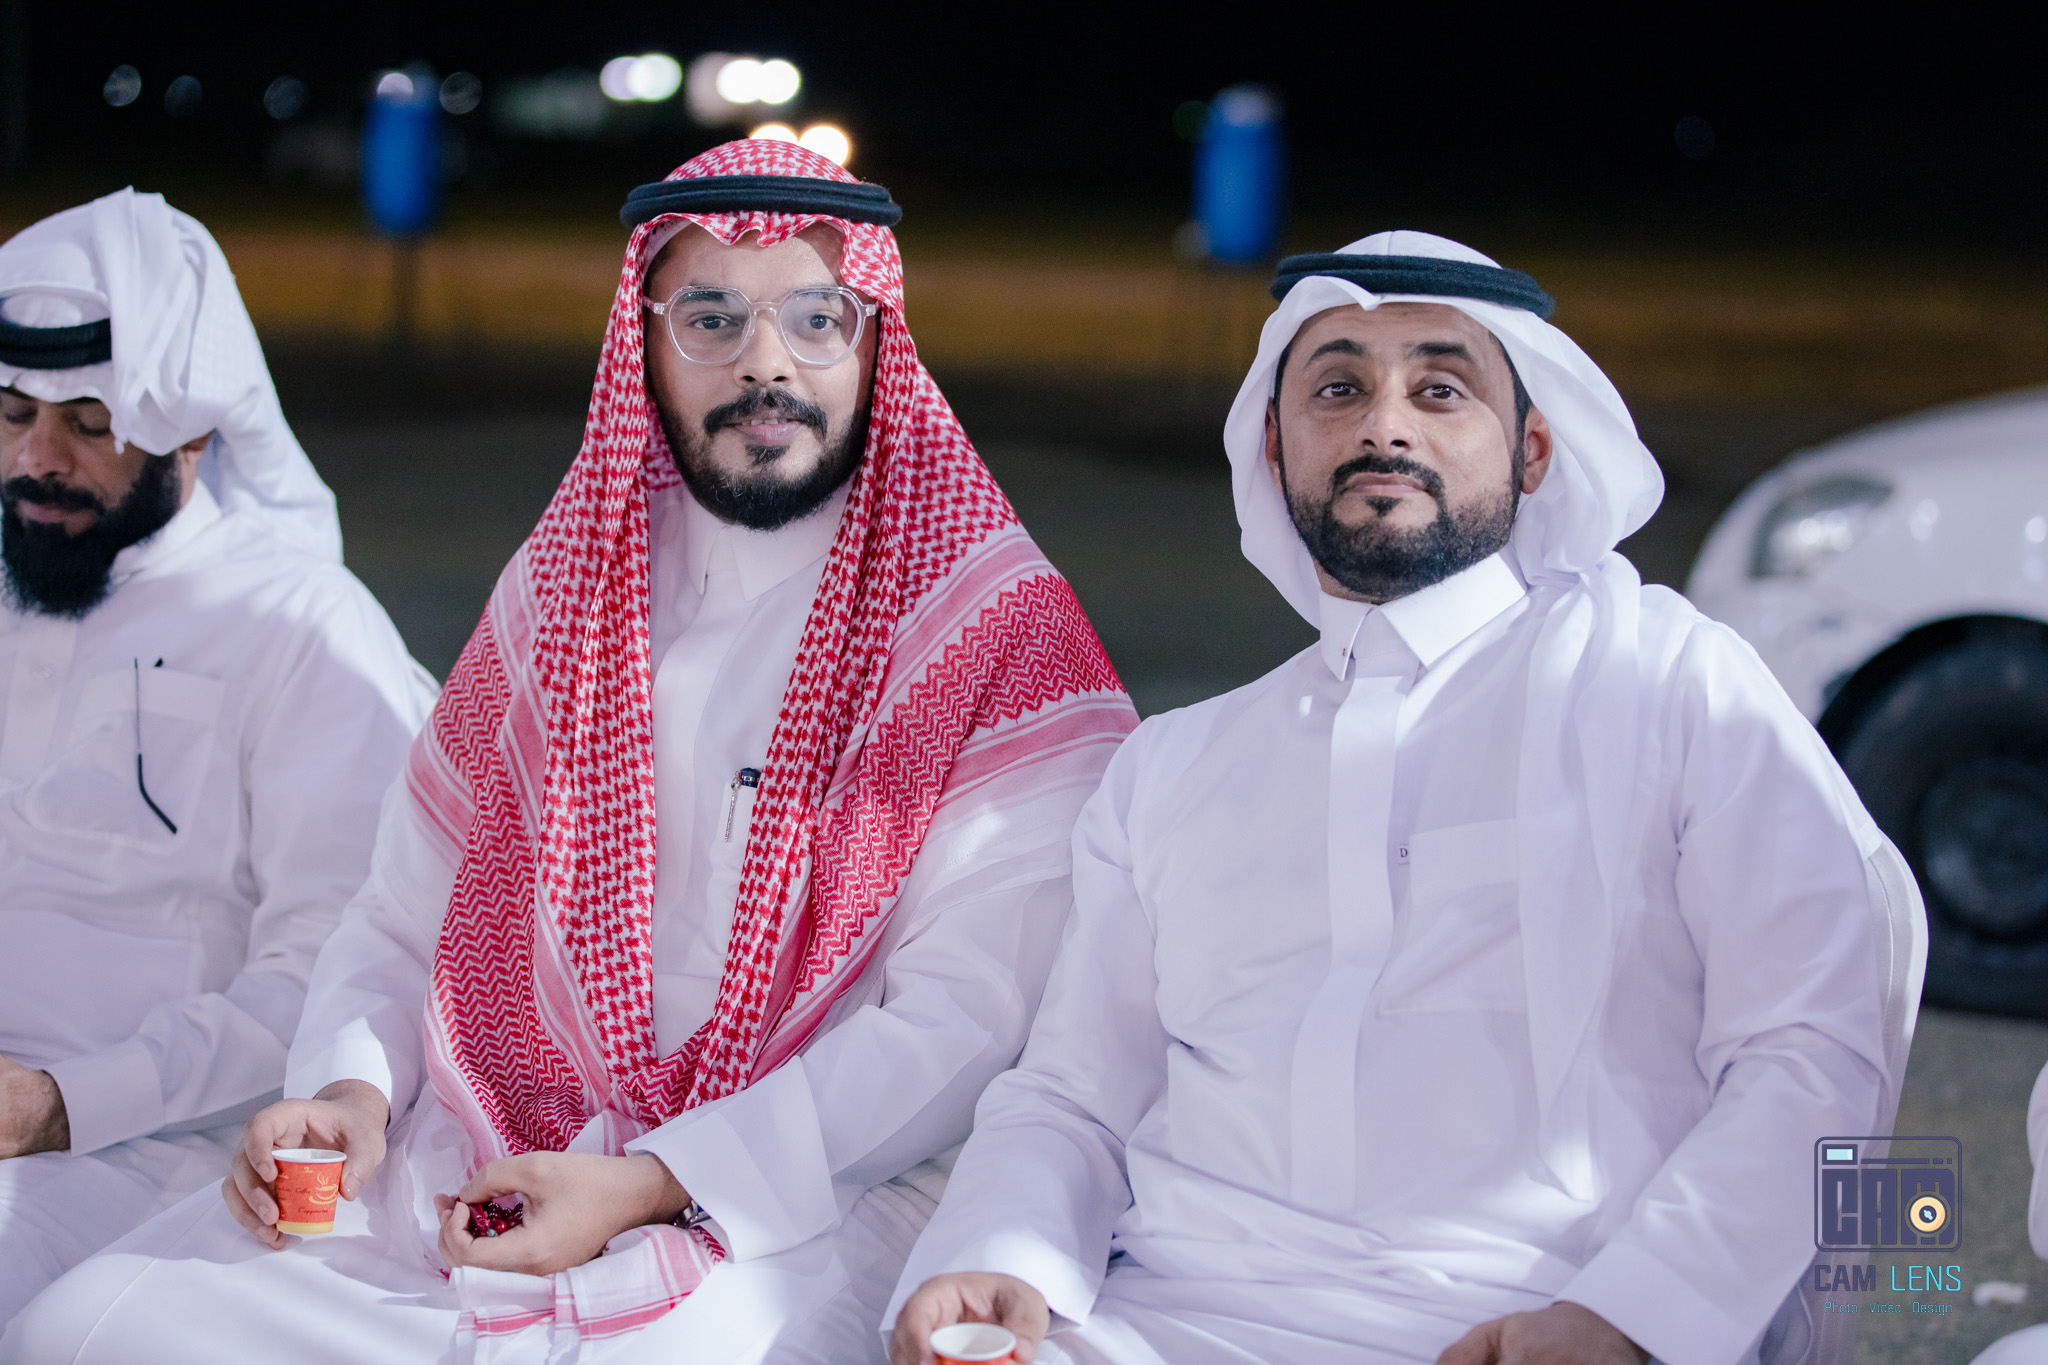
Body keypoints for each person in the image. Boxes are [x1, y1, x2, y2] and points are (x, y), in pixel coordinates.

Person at [5, 140, 1134, 1365]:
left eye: (816, 320)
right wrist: (347, 1097)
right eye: (711, 319)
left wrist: (653, 1180)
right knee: (90, 1334)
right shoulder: (565, 590)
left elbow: (963, 1021)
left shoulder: (993, 632)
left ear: (873, 344)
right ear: (643, 346)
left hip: (804, 1191)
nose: (765, 363)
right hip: (491, 1137)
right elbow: (401, 914)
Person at [888, 231, 1924, 1365]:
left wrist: (1632, 1318)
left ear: (1533, 449)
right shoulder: (1174, 765)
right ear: (1274, 447)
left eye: (1440, 390)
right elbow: (1074, 1096)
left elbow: (1811, 1052)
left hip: (1529, 1325)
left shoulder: (1668, 682)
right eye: (1337, 390)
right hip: (1154, 1322)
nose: (1384, 425)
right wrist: (996, 1254)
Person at [0, 189, 435, 1324]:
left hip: (161, 1154)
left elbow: (331, 974)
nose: (38, 457)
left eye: (87, 423)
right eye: (11, 412)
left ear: (192, 430)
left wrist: (58, 1102)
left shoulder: (300, 627)